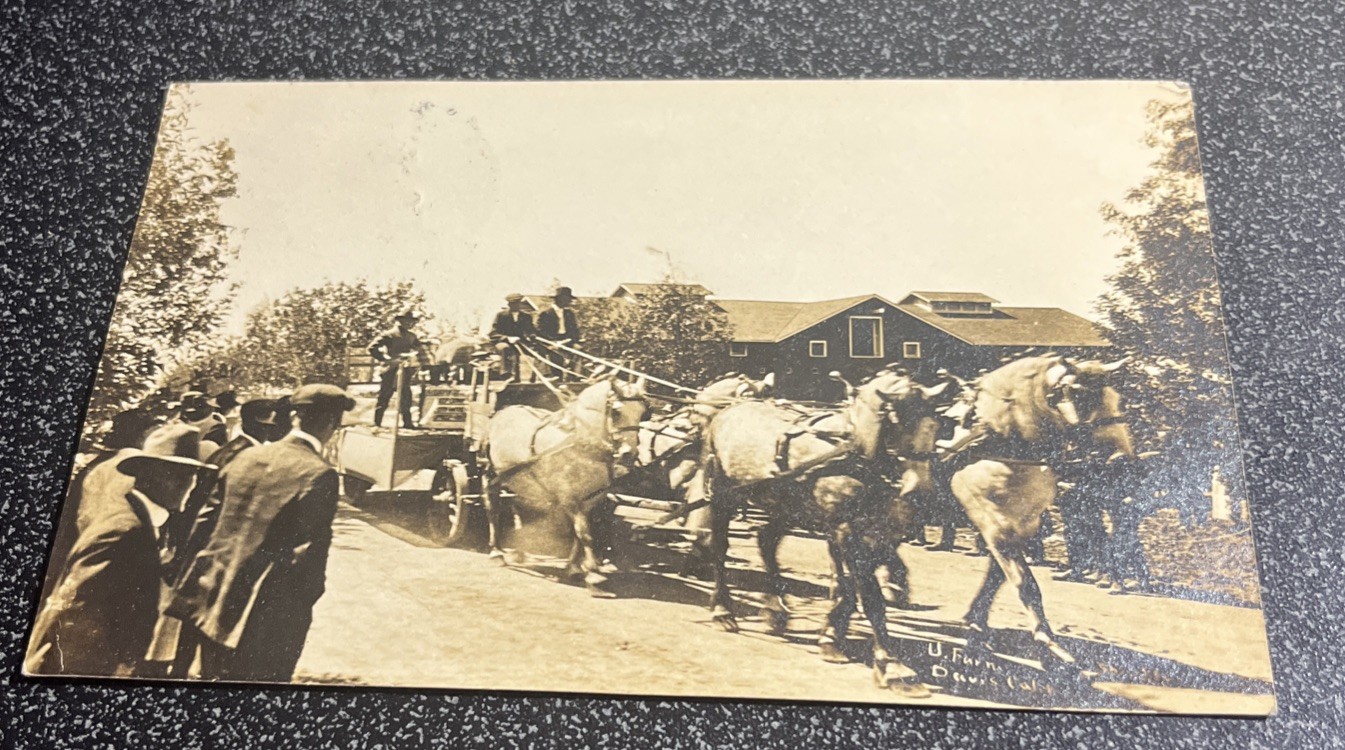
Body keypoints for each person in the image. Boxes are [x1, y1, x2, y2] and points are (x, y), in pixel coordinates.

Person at [166, 384, 355, 682]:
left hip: (210, 602)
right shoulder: (319, 473)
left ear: (294, 416)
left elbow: (204, 525)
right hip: (263, 621)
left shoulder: (245, 457)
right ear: (334, 423)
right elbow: (308, 560)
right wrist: (295, 613)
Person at [26, 424, 214, 678]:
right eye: (179, 475)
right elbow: (78, 613)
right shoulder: (125, 531)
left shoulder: (139, 522)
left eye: (191, 476)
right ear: (149, 474)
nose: (188, 485)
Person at [151, 398, 281, 677]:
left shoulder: (227, 451)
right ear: (257, 425)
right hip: (220, 549)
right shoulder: (247, 457)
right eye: (270, 426)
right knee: (214, 623)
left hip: (201, 548)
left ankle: (183, 673)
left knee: (194, 620)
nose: (272, 432)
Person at [369, 308, 424, 429]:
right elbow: (372, 348)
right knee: (384, 396)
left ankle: (407, 423)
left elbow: (419, 348)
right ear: (399, 321)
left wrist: (412, 354)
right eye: (406, 321)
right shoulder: (388, 334)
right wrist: (386, 359)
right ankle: (377, 423)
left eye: (411, 321)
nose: (409, 324)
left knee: (406, 396)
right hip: (390, 368)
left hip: (405, 369)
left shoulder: (412, 336)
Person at [535, 287, 581, 380]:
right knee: (556, 353)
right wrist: (552, 342)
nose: (569, 301)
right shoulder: (545, 313)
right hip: (551, 342)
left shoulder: (569, 313)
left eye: (569, 299)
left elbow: (574, 330)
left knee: (578, 350)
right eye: (566, 299)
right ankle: (556, 377)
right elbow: (540, 331)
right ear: (559, 299)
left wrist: (572, 340)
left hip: (566, 340)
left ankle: (573, 376)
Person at [489, 293, 536, 380]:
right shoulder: (501, 315)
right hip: (503, 343)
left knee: (539, 350)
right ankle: (508, 375)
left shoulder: (526, 316)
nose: (517, 306)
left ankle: (537, 378)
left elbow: (531, 331)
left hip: (521, 343)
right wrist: (507, 338)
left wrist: (531, 336)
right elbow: (493, 333)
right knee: (506, 348)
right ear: (509, 304)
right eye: (514, 304)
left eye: (518, 303)